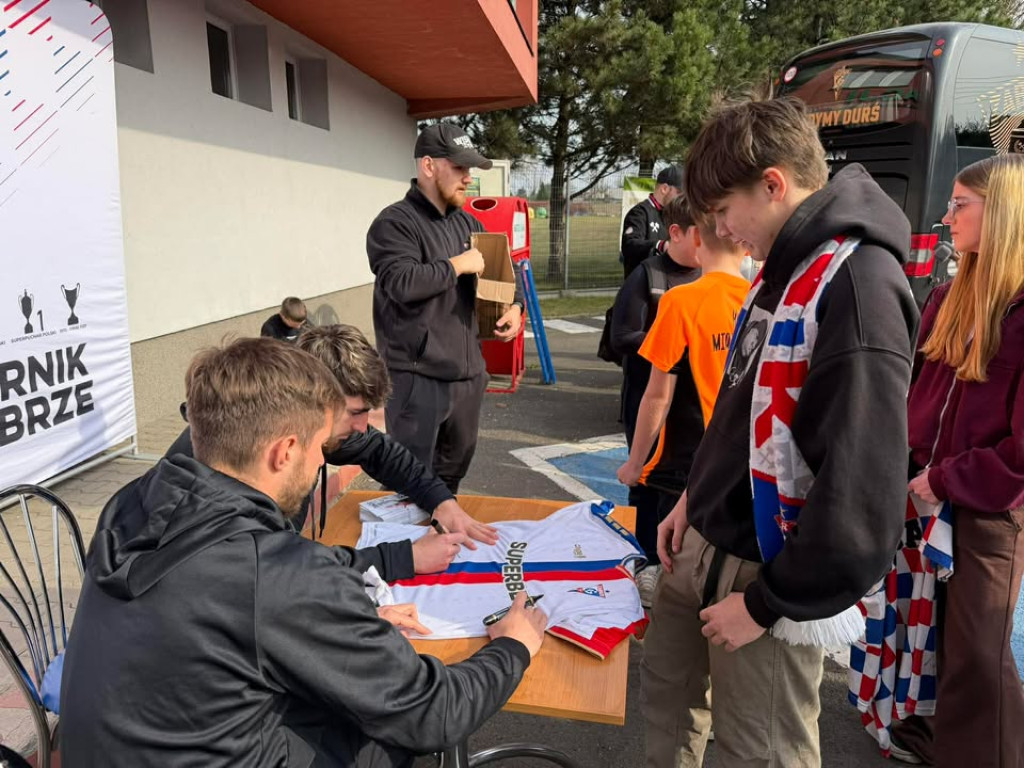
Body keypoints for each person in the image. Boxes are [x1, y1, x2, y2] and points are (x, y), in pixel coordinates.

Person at [60, 338, 548, 767]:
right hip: (199, 742)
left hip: (117, 742)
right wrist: (513, 647)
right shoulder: (276, 574)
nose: (322, 461)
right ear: (284, 451)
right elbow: (433, 713)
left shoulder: (132, 501)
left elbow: (243, 598)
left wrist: (335, 611)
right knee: (384, 731)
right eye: (319, 447)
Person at [641, 96, 918, 768]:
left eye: (723, 211)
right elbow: (739, 407)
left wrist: (768, 604)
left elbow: (862, 493)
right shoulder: (784, 266)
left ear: (772, 184)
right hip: (706, 538)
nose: (720, 231)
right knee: (667, 712)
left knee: (761, 751)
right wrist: (693, 498)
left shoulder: (857, 284)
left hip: (764, 570)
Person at [888, 153, 1024, 767]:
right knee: (933, 636)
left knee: (978, 654)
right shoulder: (947, 296)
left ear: (1003, 213)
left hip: (988, 512)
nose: (945, 218)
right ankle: (937, 737)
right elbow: (916, 395)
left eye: (959, 205)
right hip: (926, 495)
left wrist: (944, 479)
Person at [167, 324, 498, 549]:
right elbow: (269, 568)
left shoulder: (308, 430)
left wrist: (441, 501)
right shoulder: (232, 464)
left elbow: (382, 453)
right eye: (354, 412)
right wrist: (402, 559)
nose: (363, 426)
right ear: (315, 399)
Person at [367, 122, 524, 494]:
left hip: (467, 377)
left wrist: (515, 308)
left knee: (450, 480)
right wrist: (458, 265)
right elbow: (402, 282)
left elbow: (506, 269)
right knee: (409, 483)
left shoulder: (468, 222)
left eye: (470, 169)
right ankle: (406, 535)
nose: (468, 177)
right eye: (459, 167)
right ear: (428, 166)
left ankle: (441, 530)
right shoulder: (394, 223)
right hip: (417, 379)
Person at [616, 202, 749, 606]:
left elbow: (657, 396)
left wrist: (635, 463)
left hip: (684, 461)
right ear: (744, 245)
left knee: (670, 567)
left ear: (696, 238)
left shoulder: (681, 302)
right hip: (740, 463)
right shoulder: (761, 300)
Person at [620, 164, 683, 278]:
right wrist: (661, 245)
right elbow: (629, 245)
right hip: (642, 284)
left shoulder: (676, 215)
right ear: (664, 189)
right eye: (679, 193)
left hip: (668, 283)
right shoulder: (639, 213)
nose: (683, 198)